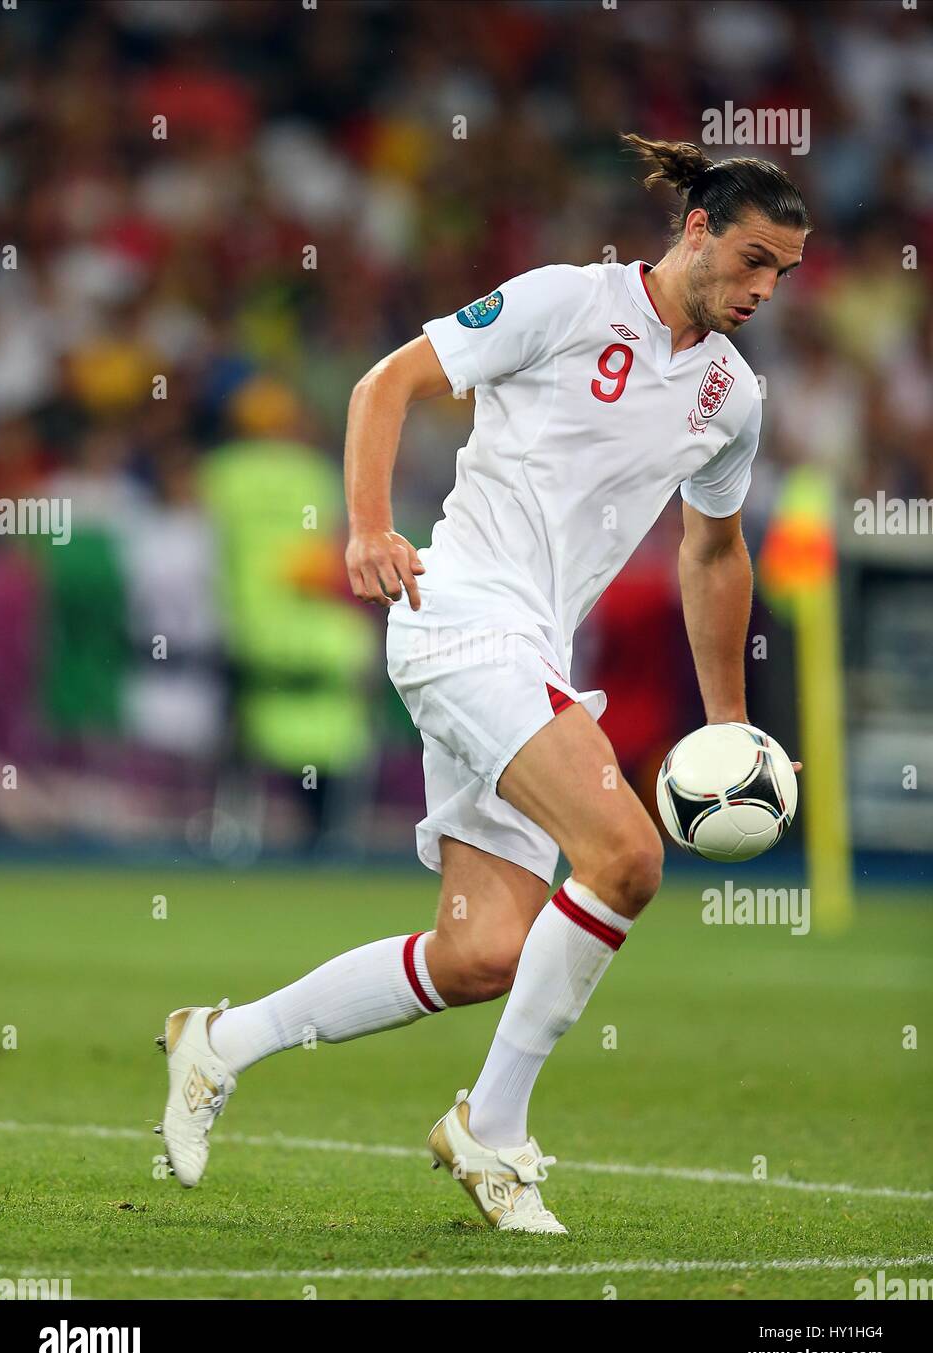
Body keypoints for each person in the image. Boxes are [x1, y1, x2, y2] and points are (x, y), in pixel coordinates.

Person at [156, 135, 808, 1234]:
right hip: (458, 618)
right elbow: (387, 382)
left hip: (530, 654)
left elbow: (712, 554)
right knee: (628, 855)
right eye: (749, 260)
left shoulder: (728, 398)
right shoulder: (566, 301)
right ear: (693, 229)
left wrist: (729, 724)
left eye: (779, 275)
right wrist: (366, 527)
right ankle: (491, 1132)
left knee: (479, 956)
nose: (760, 290)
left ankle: (218, 1042)